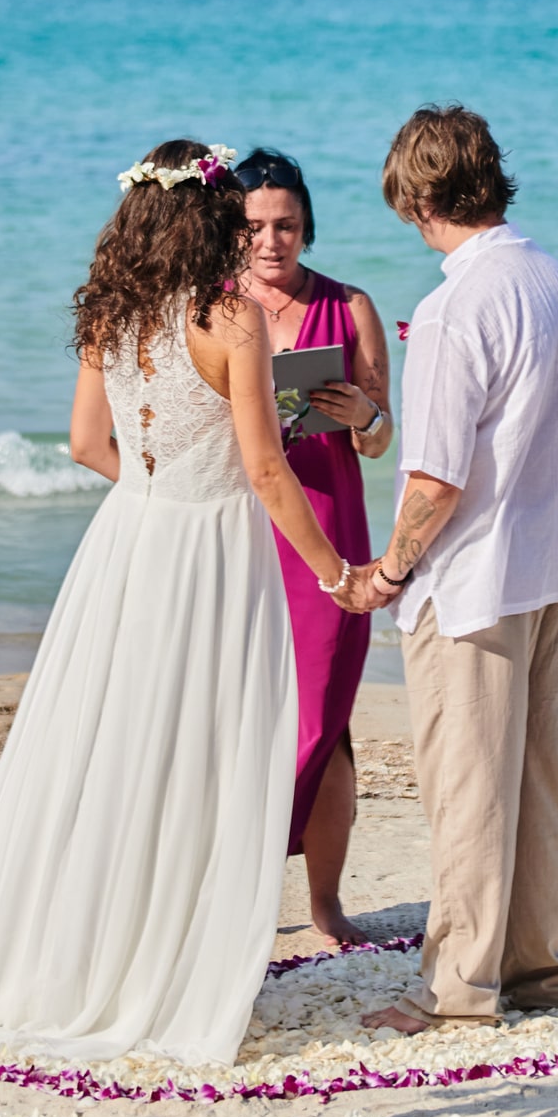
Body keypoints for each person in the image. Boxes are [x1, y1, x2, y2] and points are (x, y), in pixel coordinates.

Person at [0, 140, 359, 1066]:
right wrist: (336, 572)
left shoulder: (113, 309)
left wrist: (156, 488)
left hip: (127, 540)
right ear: (209, 215)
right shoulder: (232, 317)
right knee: (200, 751)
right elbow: (265, 469)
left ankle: (77, 951)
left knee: (104, 744)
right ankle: (165, 967)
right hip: (213, 549)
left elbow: (85, 444)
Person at [349, 104, 558, 1037]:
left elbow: (436, 477)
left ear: (416, 199)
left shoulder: (456, 308)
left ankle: (457, 987)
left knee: (467, 788)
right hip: (547, 560)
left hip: (474, 579)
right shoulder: (556, 282)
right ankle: (532, 964)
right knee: (531, 779)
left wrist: (387, 571)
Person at [235, 148, 393, 945]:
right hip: (238, 529)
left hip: (328, 528)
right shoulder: (210, 308)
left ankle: (324, 903)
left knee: (326, 720)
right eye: (256, 226)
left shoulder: (350, 305)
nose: (271, 241)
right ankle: (234, 895)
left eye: (287, 225)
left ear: (307, 228)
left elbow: (380, 440)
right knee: (236, 715)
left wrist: (363, 414)